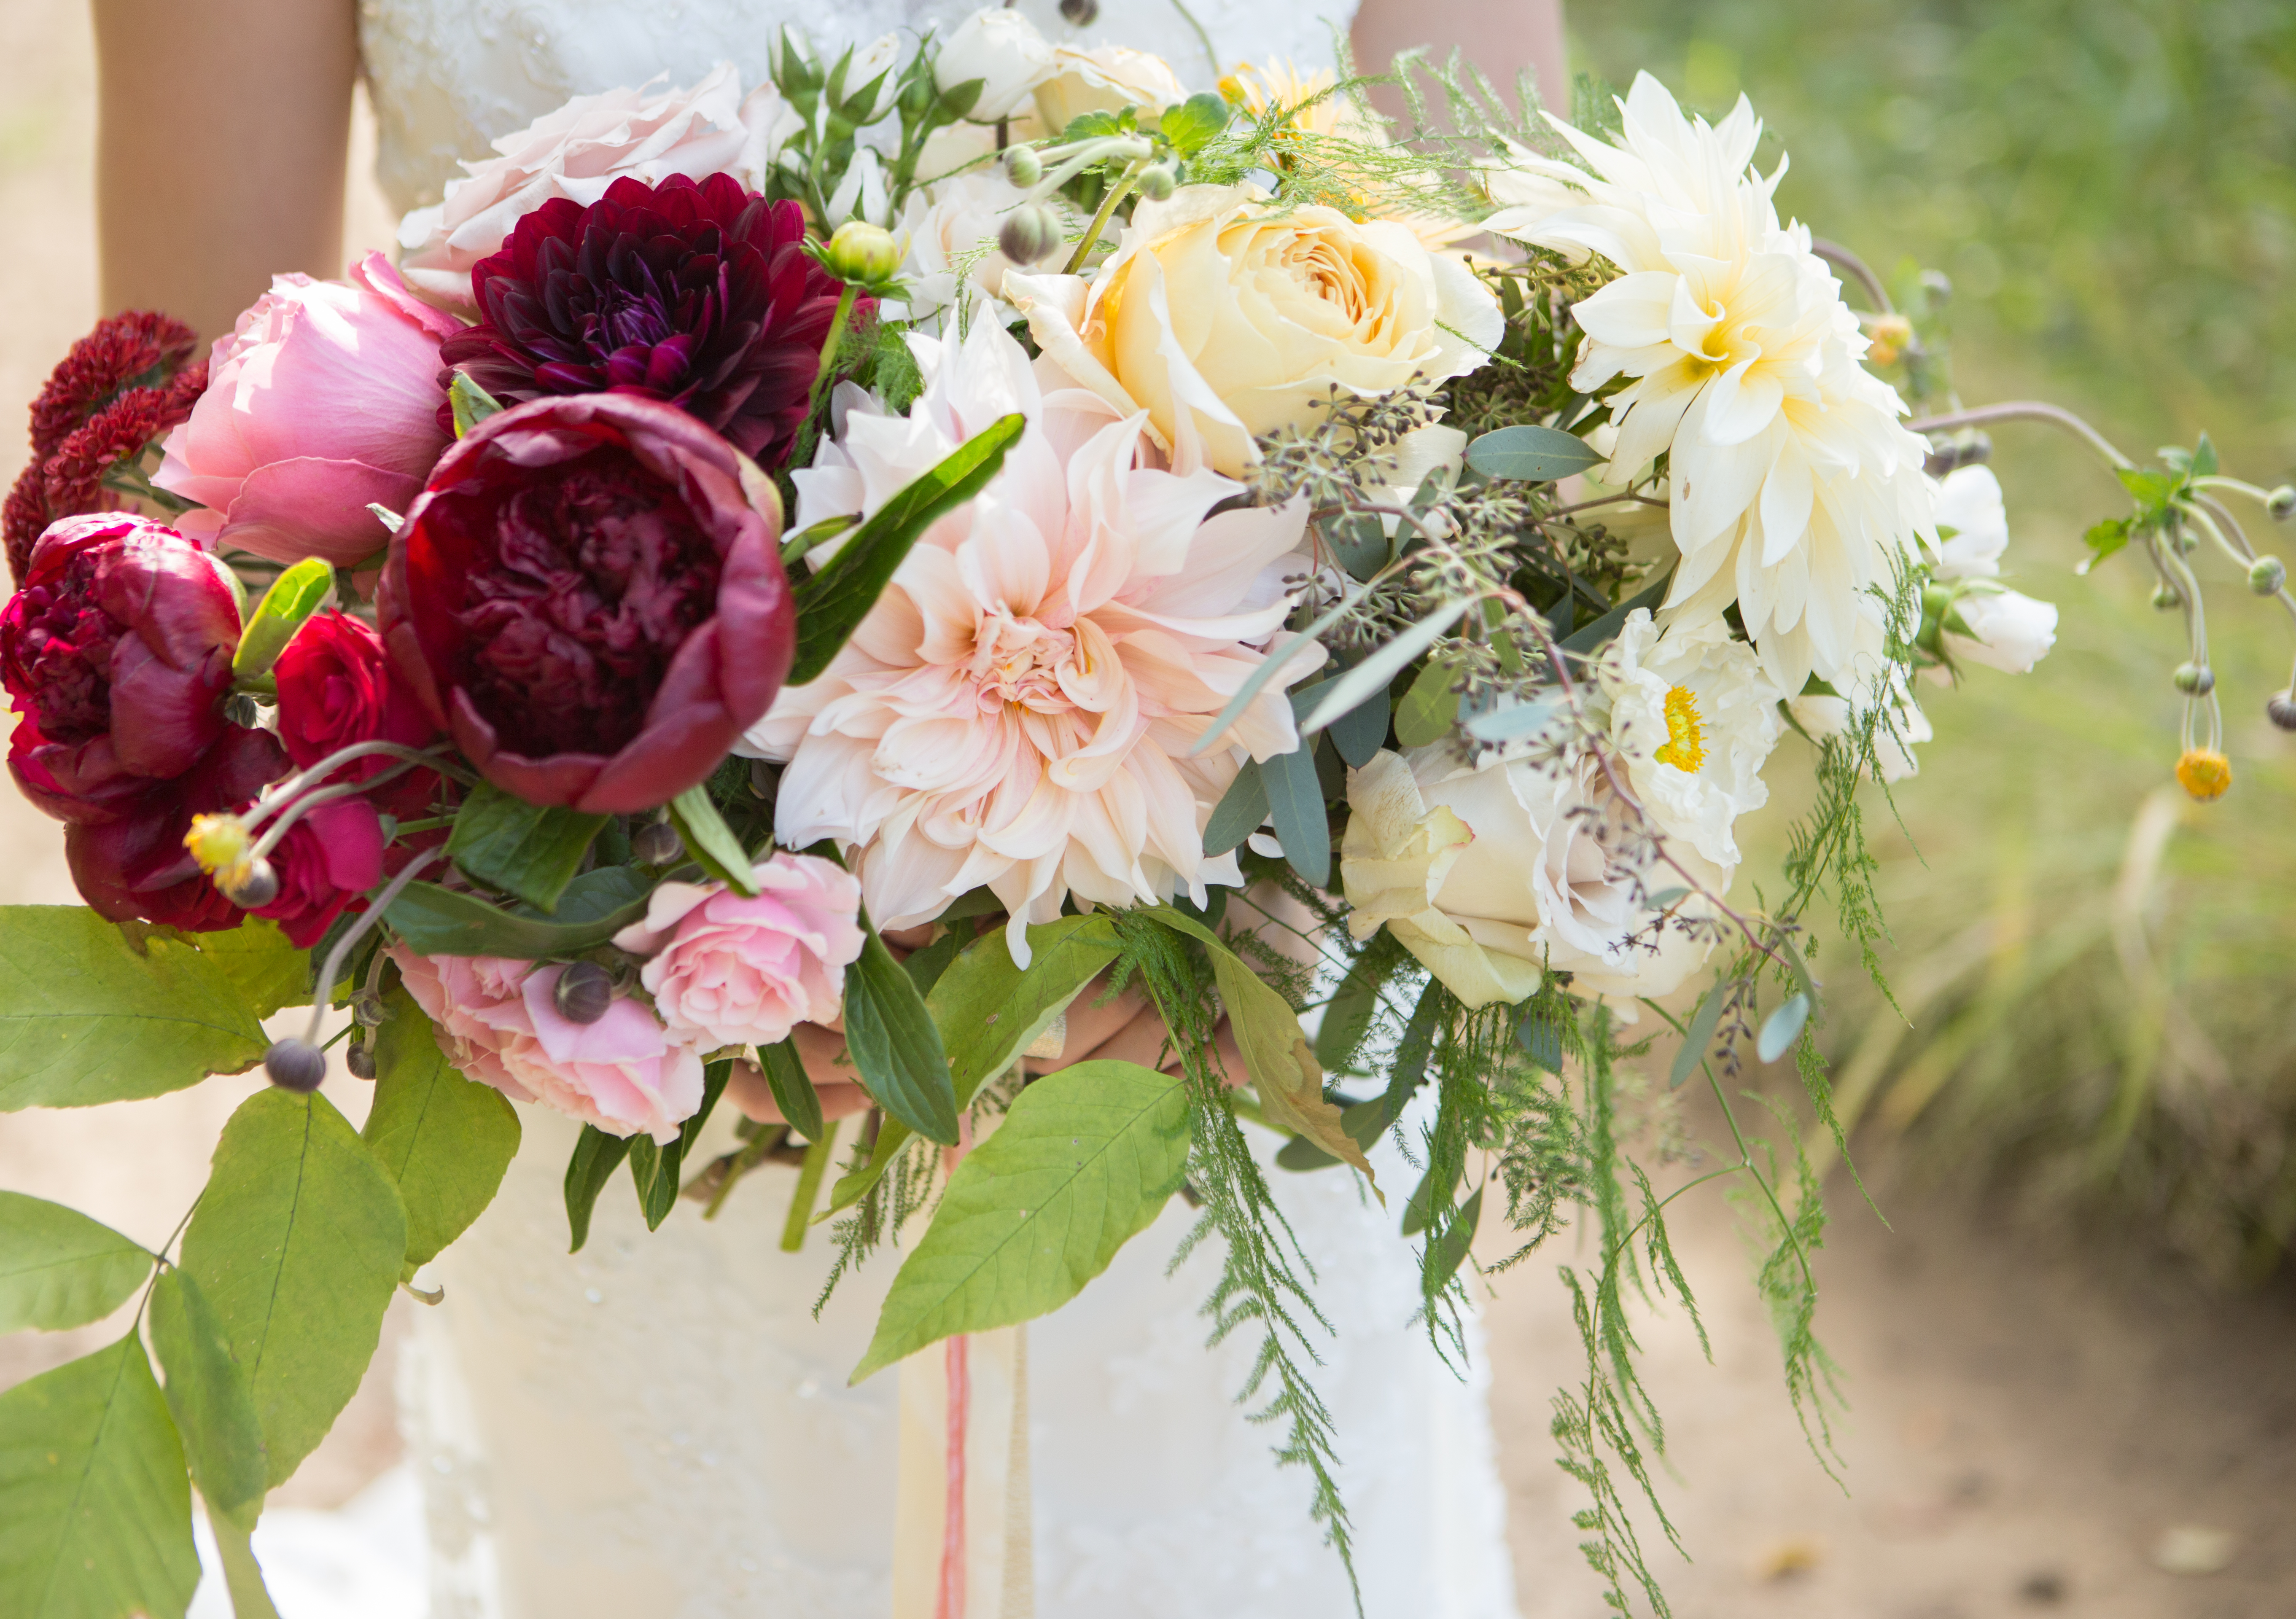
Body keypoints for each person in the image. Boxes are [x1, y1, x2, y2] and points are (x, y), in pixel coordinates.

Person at [90, 3, 1563, 1613]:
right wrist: (629, 922)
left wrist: (1297, 889)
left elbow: (1529, 384)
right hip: (647, 1031)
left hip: (1244, 1001)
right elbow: (187, 510)